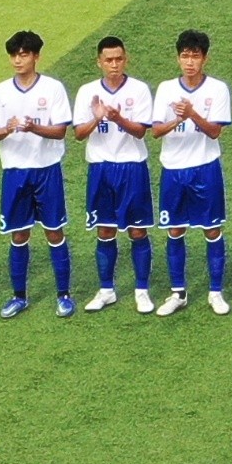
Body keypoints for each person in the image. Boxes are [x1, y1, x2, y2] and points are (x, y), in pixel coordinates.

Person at [0, 30, 77, 318]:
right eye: (14, 55)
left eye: (24, 54)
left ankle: (64, 295)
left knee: (54, 232)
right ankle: (19, 296)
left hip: (46, 170)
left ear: (36, 56)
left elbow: (61, 130)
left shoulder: (52, 89)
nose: (18, 60)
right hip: (14, 172)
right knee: (18, 234)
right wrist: (9, 128)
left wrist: (32, 128)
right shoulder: (0, 92)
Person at [152, 32, 232, 315]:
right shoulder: (165, 89)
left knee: (212, 229)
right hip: (173, 169)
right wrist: (178, 118)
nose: (189, 62)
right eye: (185, 56)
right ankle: (178, 293)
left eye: (195, 56)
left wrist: (193, 114)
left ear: (205, 58)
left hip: (205, 167)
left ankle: (215, 292)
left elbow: (215, 132)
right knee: (175, 230)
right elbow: (156, 131)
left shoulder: (218, 89)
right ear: (178, 58)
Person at [79, 35, 160, 316]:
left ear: (126, 59)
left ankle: (141, 291)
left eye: (118, 59)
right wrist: (97, 117)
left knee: (138, 231)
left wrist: (116, 118)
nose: (113, 65)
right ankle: (106, 290)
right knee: (104, 229)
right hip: (100, 168)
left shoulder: (138, 90)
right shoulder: (87, 91)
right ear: (99, 62)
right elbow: (78, 134)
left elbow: (140, 131)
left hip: (131, 166)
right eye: (108, 60)